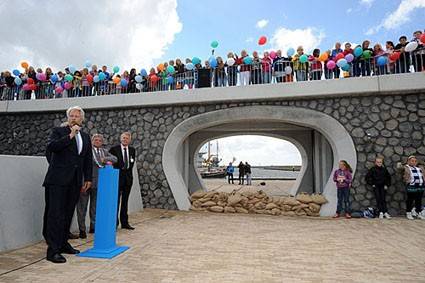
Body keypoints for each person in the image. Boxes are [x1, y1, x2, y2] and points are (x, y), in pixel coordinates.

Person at [42, 106, 93, 263]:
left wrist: (88, 178)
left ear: (82, 119)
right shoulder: (59, 132)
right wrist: (70, 135)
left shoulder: (85, 137)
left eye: (77, 116)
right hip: (57, 181)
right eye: (71, 115)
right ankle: (53, 251)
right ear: (67, 117)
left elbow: (87, 159)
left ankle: (63, 244)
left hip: (74, 182)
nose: (74, 118)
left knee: (67, 214)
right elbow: (52, 147)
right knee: (55, 215)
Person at [76, 134, 117, 239]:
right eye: (95, 140)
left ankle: (93, 226)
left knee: (94, 207)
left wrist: (104, 159)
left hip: (99, 183)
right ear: (92, 141)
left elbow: (115, 159)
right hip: (86, 182)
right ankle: (82, 229)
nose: (97, 141)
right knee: (82, 207)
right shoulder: (87, 150)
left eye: (99, 140)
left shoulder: (104, 151)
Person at [109, 132, 136, 230]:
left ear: (129, 140)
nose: (125, 140)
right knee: (116, 201)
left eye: (127, 138)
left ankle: (125, 222)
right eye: (124, 138)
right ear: (121, 139)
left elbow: (131, 163)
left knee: (125, 201)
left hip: (128, 179)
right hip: (117, 178)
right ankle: (114, 223)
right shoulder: (114, 149)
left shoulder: (132, 150)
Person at [403, 156, 425, 220]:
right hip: (411, 185)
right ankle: (408, 212)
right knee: (410, 200)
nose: (414, 162)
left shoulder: (420, 168)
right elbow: (400, 168)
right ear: (408, 161)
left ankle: (418, 212)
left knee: (419, 200)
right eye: (412, 161)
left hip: (420, 185)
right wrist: (407, 181)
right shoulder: (406, 167)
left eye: (415, 161)